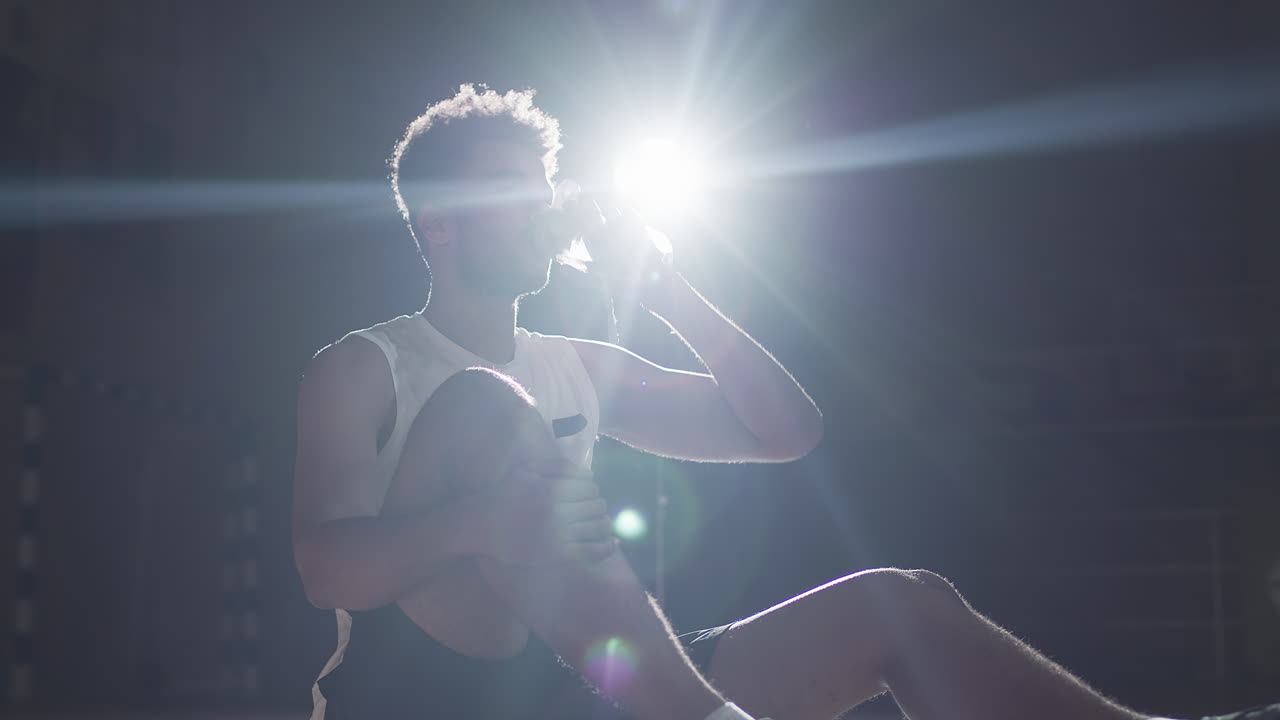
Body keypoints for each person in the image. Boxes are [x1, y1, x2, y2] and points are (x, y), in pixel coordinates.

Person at [291, 84, 1251, 720]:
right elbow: (328, 569)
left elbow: (785, 431)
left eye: (544, 185)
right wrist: (478, 521)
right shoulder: (365, 364)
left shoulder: (579, 361)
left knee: (902, 605)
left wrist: (664, 290)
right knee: (481, 405)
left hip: (578, 688)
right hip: (427, 695)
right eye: (513, 188)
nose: (545, 204)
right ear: (441, 222)